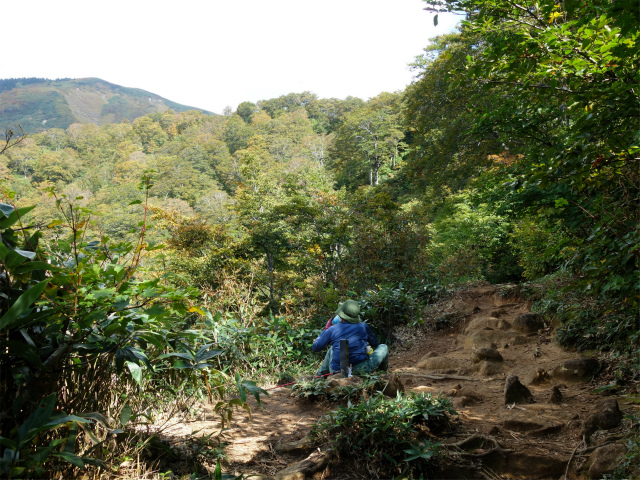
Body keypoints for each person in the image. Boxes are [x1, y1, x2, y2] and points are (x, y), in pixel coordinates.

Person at [313, 300, 388, 376]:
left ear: (341, 317)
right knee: (383, 347)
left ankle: (320, 376)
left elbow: (315, 347)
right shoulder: (363, 326)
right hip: (360, 370)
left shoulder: (332, 329)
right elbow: (375, 343)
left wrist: (326, 329)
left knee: (332, 348)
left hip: (336, 371)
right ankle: (382, 374)